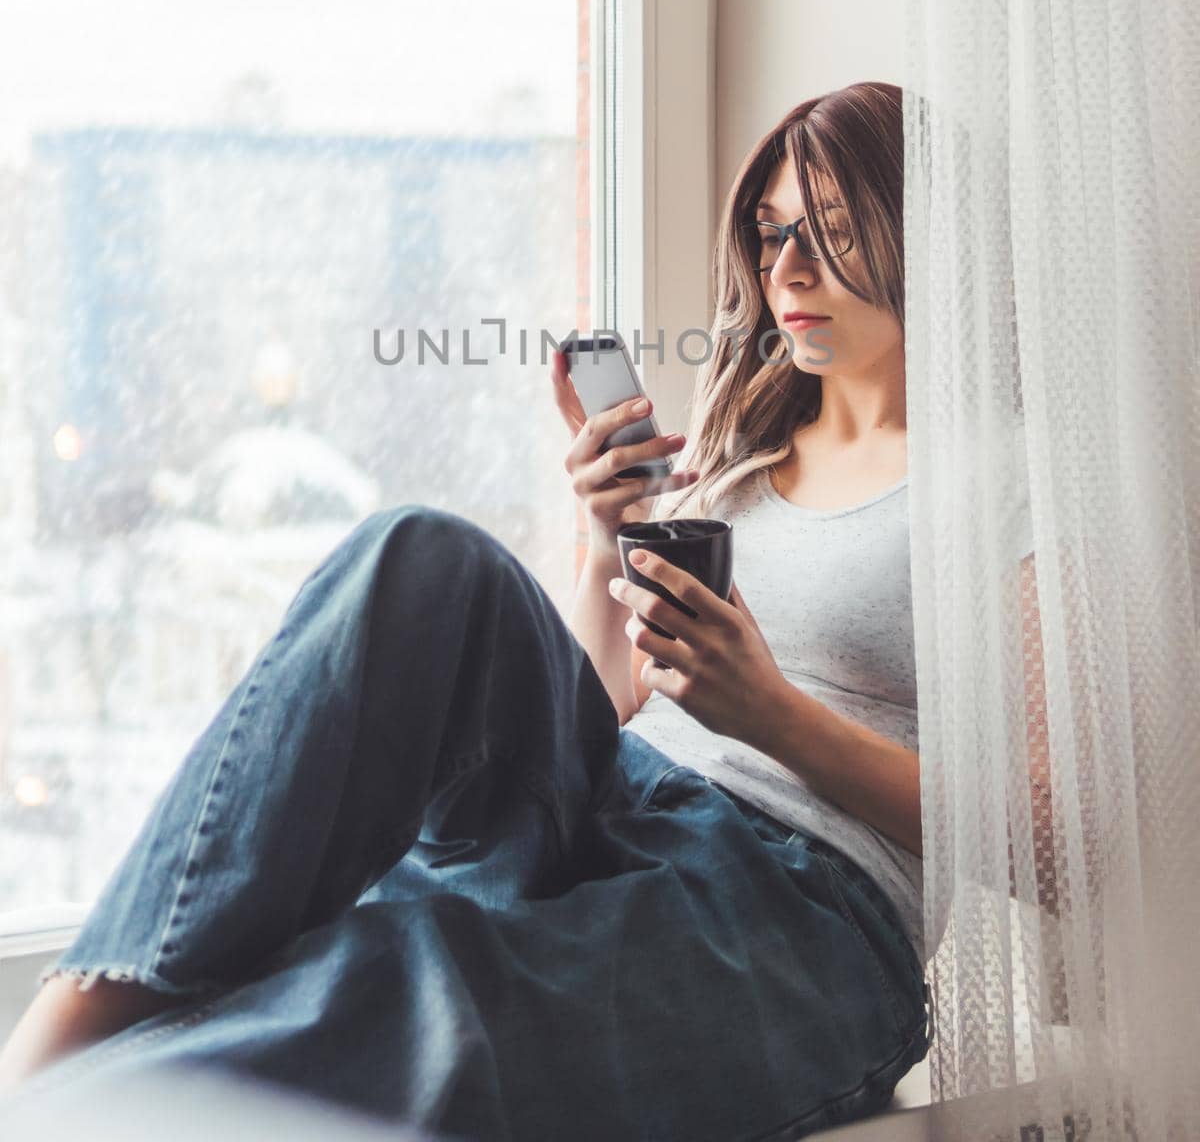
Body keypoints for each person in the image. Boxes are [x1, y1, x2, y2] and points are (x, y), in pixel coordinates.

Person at [0, 81, 934, 1140]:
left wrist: (771, 714)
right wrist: (603, 536)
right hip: (624, 796)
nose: (786, 271)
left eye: (836, 233)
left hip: (797, 903)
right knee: (419, 555)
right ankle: (65, 1024)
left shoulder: (993, 483)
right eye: (771, 236)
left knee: (404, 987)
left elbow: (1055, 844)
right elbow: (617, 697)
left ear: (919, 236)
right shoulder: (741, 457)